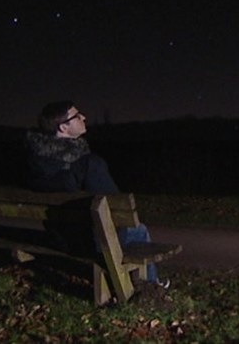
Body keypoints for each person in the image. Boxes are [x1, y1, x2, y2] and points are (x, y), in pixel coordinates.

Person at [24, 100, 166, 286]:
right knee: (138, 229)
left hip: (57, 235)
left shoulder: (38, 160)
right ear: (63, 126)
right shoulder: (87, 164)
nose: (84, 117)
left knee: (133, 228)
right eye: (77, 116)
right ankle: (150, 285)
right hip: (87, 240)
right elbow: (115, 210)